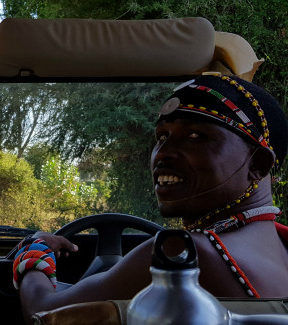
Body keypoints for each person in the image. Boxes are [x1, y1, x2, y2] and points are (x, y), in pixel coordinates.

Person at [14, 73, 288, 323]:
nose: (163, 154)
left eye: (195, 136)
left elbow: (44, 313)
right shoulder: (281, 246)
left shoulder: (182, 256)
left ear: (259, 164)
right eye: (162, 136)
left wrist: (34, 253)